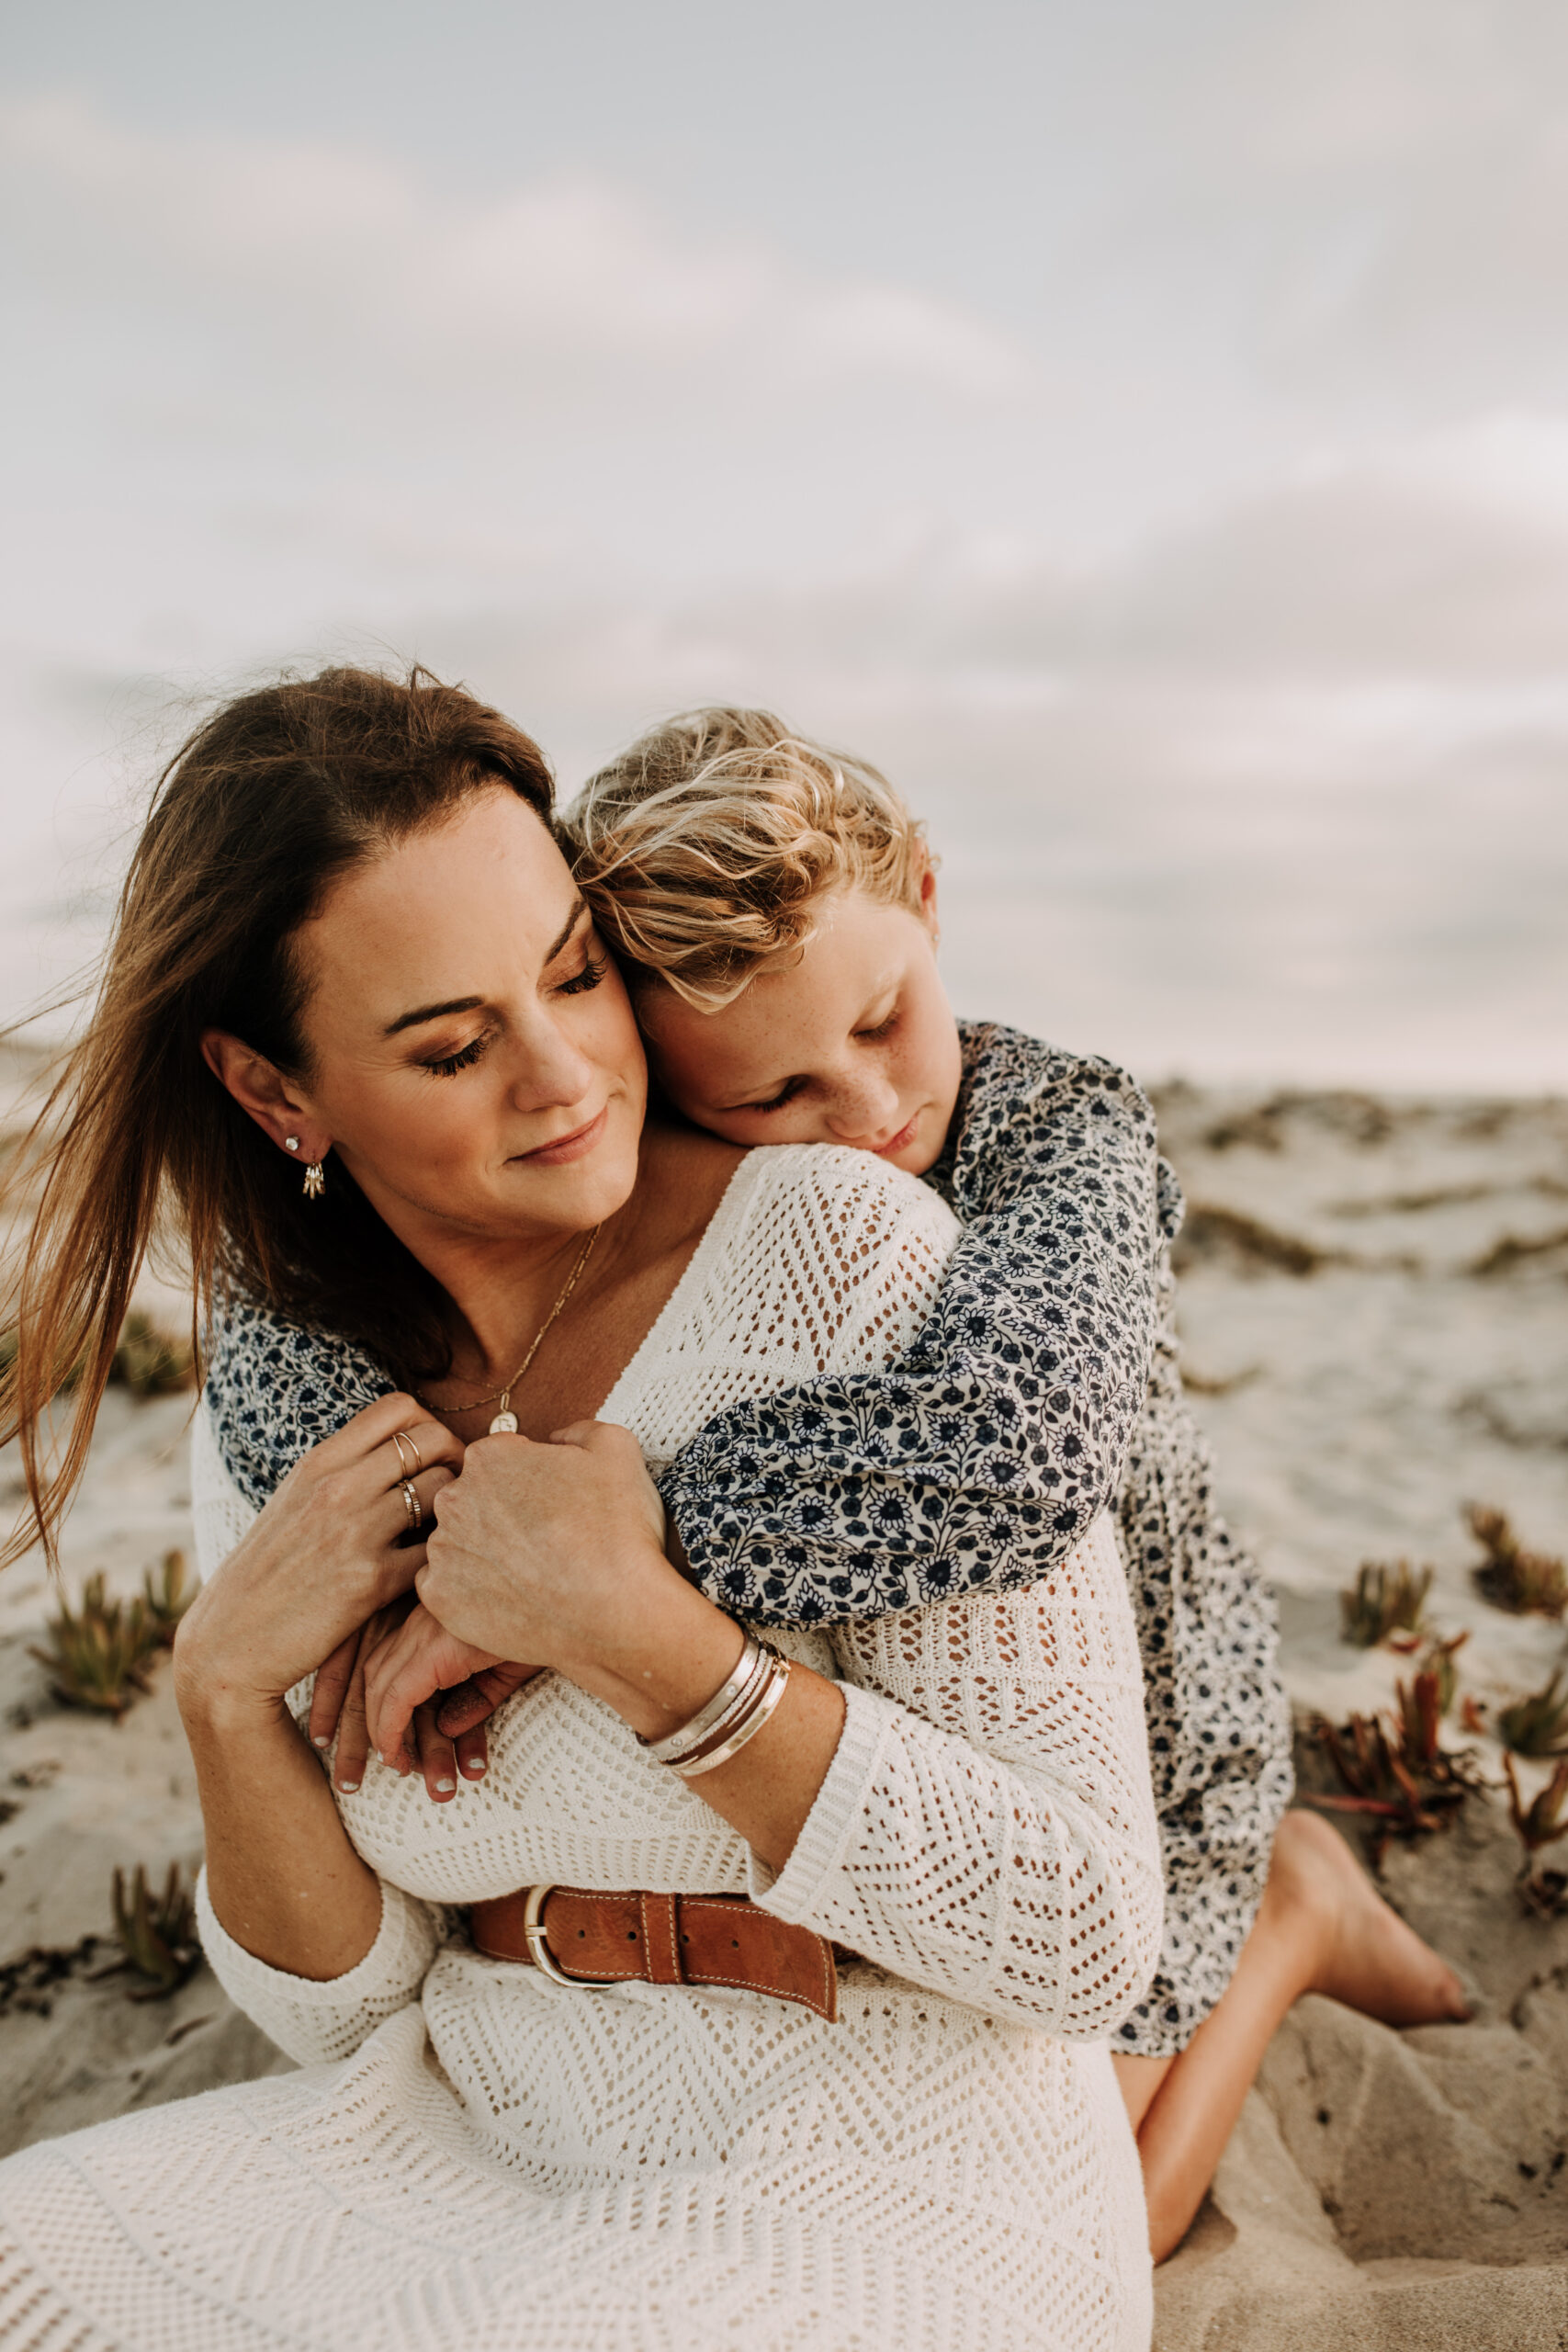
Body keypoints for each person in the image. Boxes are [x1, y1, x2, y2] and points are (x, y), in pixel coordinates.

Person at [207, 702, 1468, 2262]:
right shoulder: (629, 1180)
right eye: (768, 1098)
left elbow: (998, 1452)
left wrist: (582, 1578)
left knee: (1112, 2216)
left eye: (881, 1023)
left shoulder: (1050, 1134)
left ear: (929, 900)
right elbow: (314, 1400)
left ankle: (1292, 1916)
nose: (868, 1117)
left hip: (1170, 1730)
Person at [0, 667, 1162, 2352]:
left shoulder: (844, 1250)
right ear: (277, 1095)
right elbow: (346, 2009)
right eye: (458, 1046)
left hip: (882, 2163)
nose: (567, 1077)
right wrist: (221, 1697)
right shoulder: (303, 1404)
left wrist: (654, 1647)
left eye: (575, 977)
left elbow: (1082, 1934)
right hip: (452, 2134)